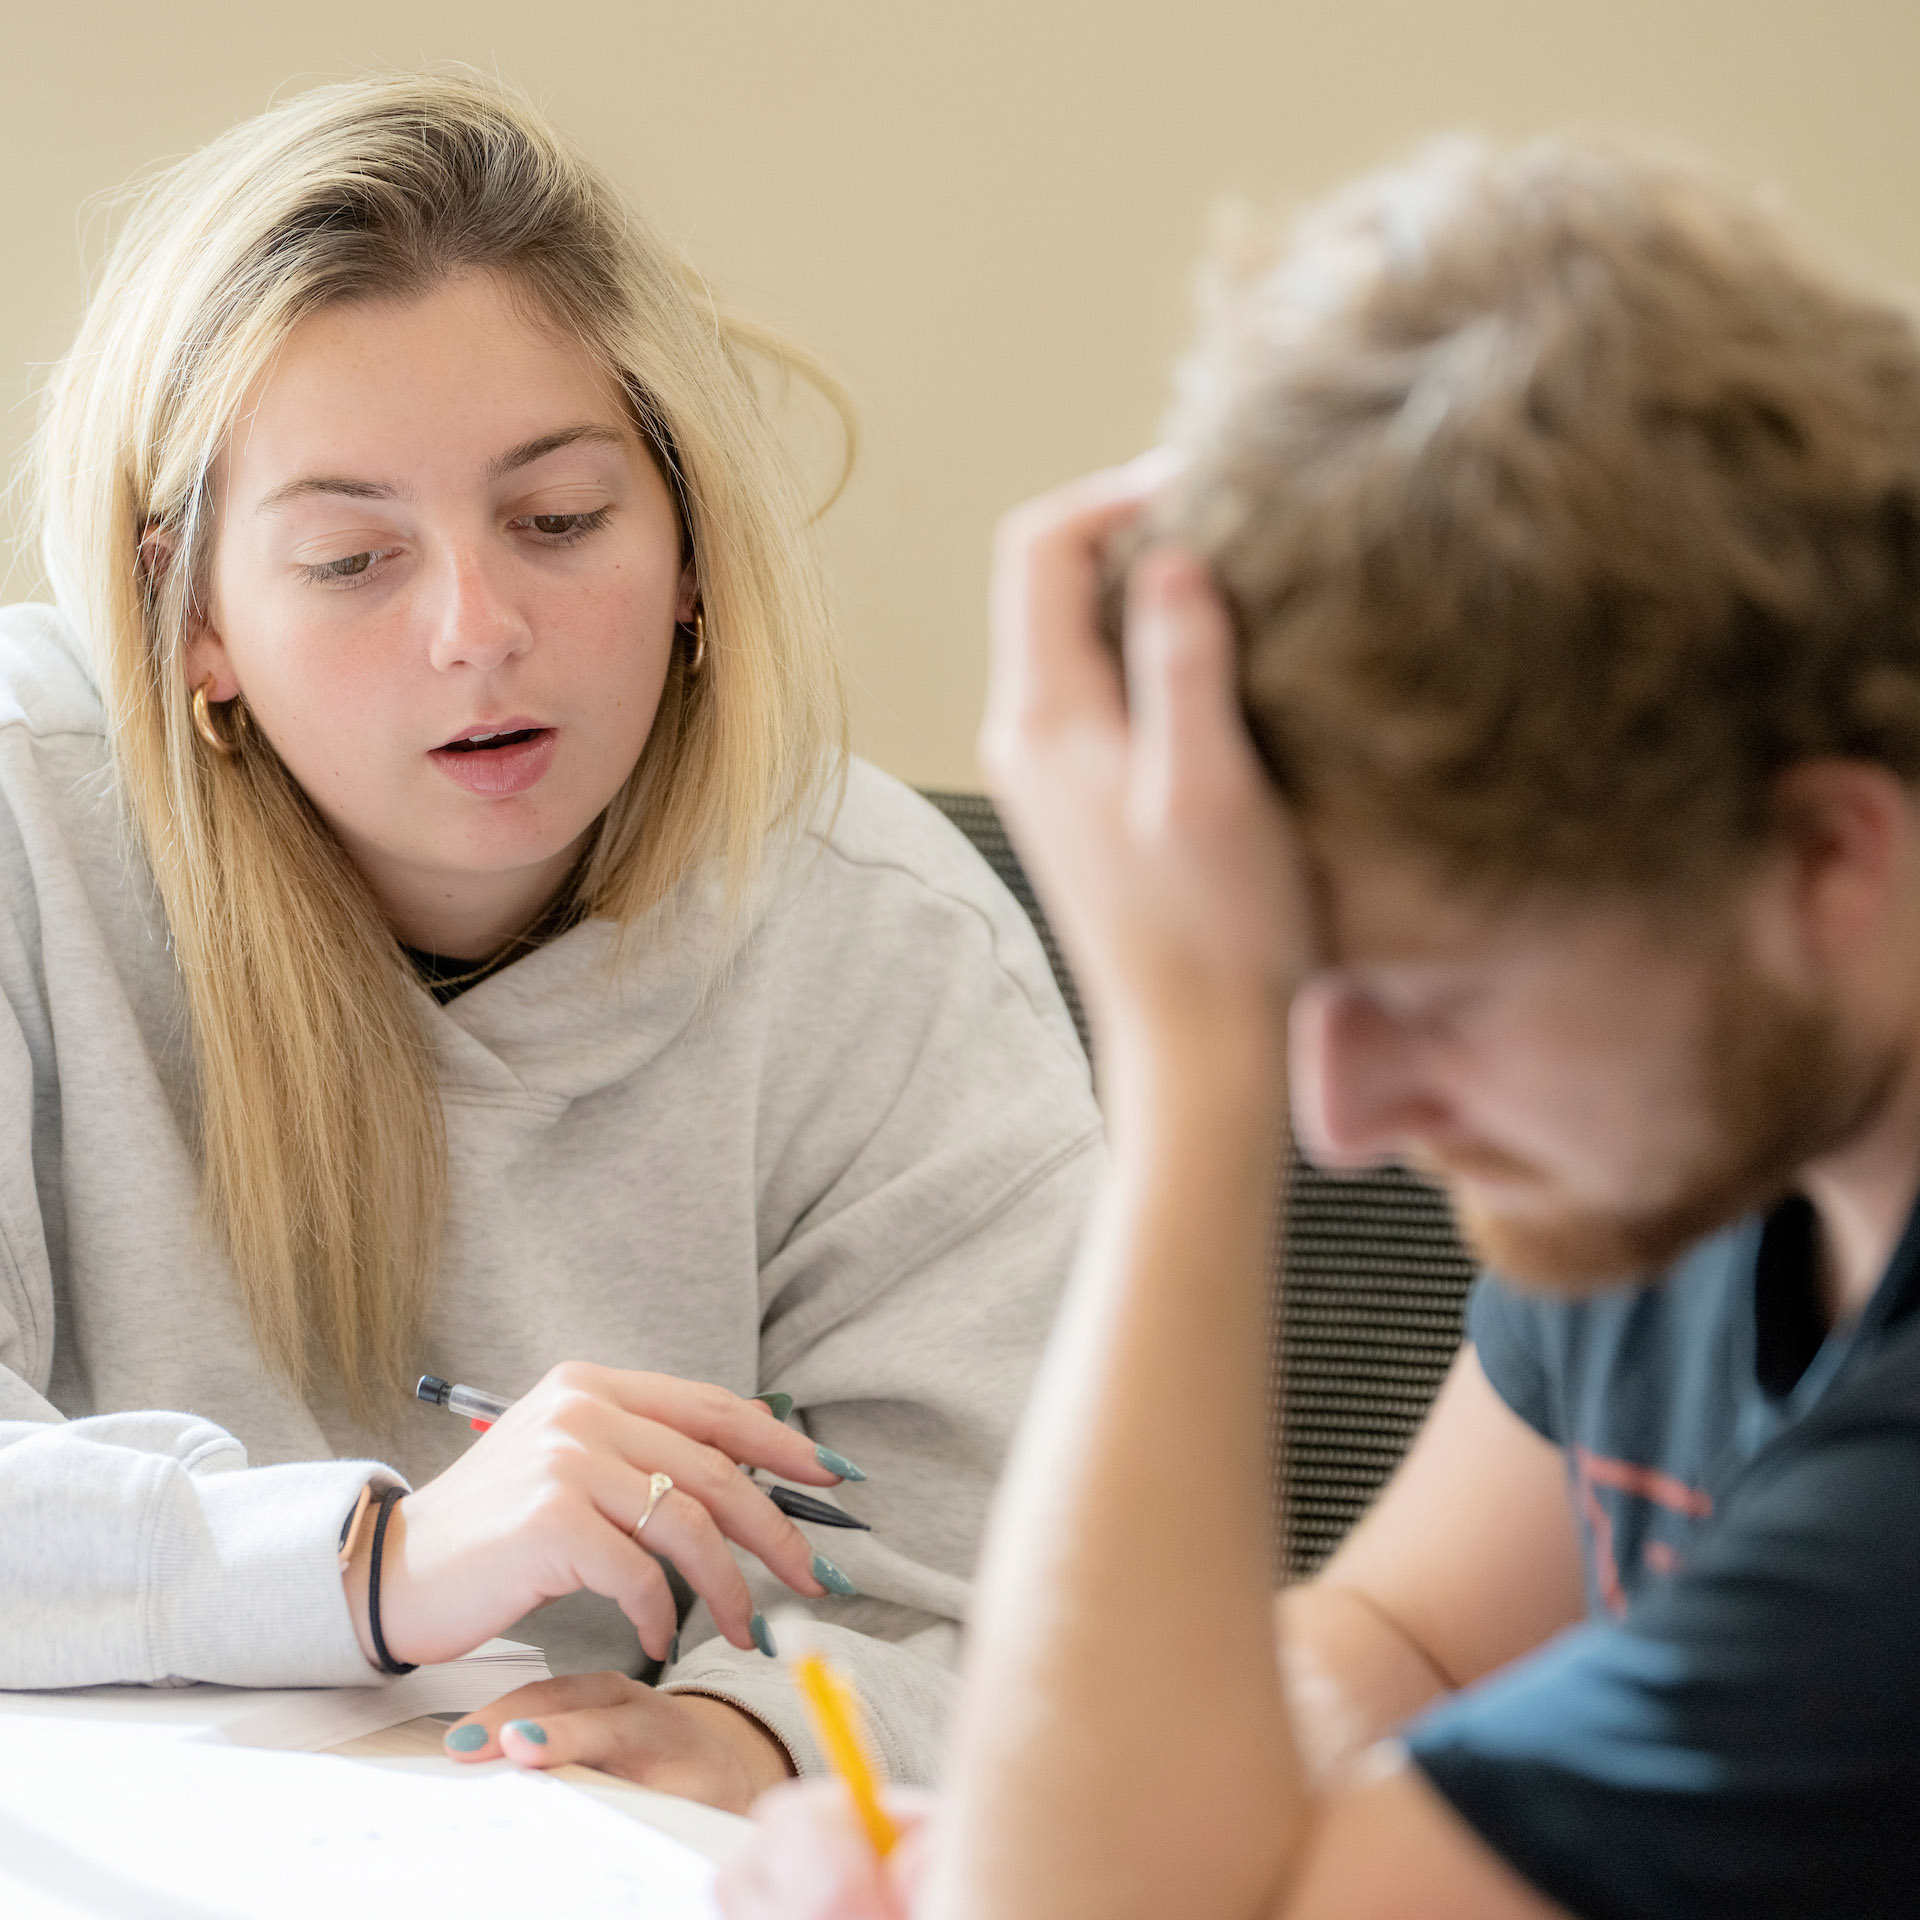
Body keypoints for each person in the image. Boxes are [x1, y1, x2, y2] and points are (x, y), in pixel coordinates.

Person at [718, 139, 1920, 1915]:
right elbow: (1409, 1638)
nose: (1344, 1120)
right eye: (1295, 997)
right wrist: (1045, 1816)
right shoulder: (1709, 1113)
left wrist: (1189, 1075)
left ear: (1823, 860)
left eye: (1428, 1000)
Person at [0, 72, 1102, 1813]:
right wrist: (380, 1563)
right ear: (192, 617)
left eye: (560, 522)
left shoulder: (892, 943)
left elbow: (1037, 1602)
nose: (478, 630)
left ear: (690, 546)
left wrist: (755, 1736)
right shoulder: (21, 811)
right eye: (351, 558)